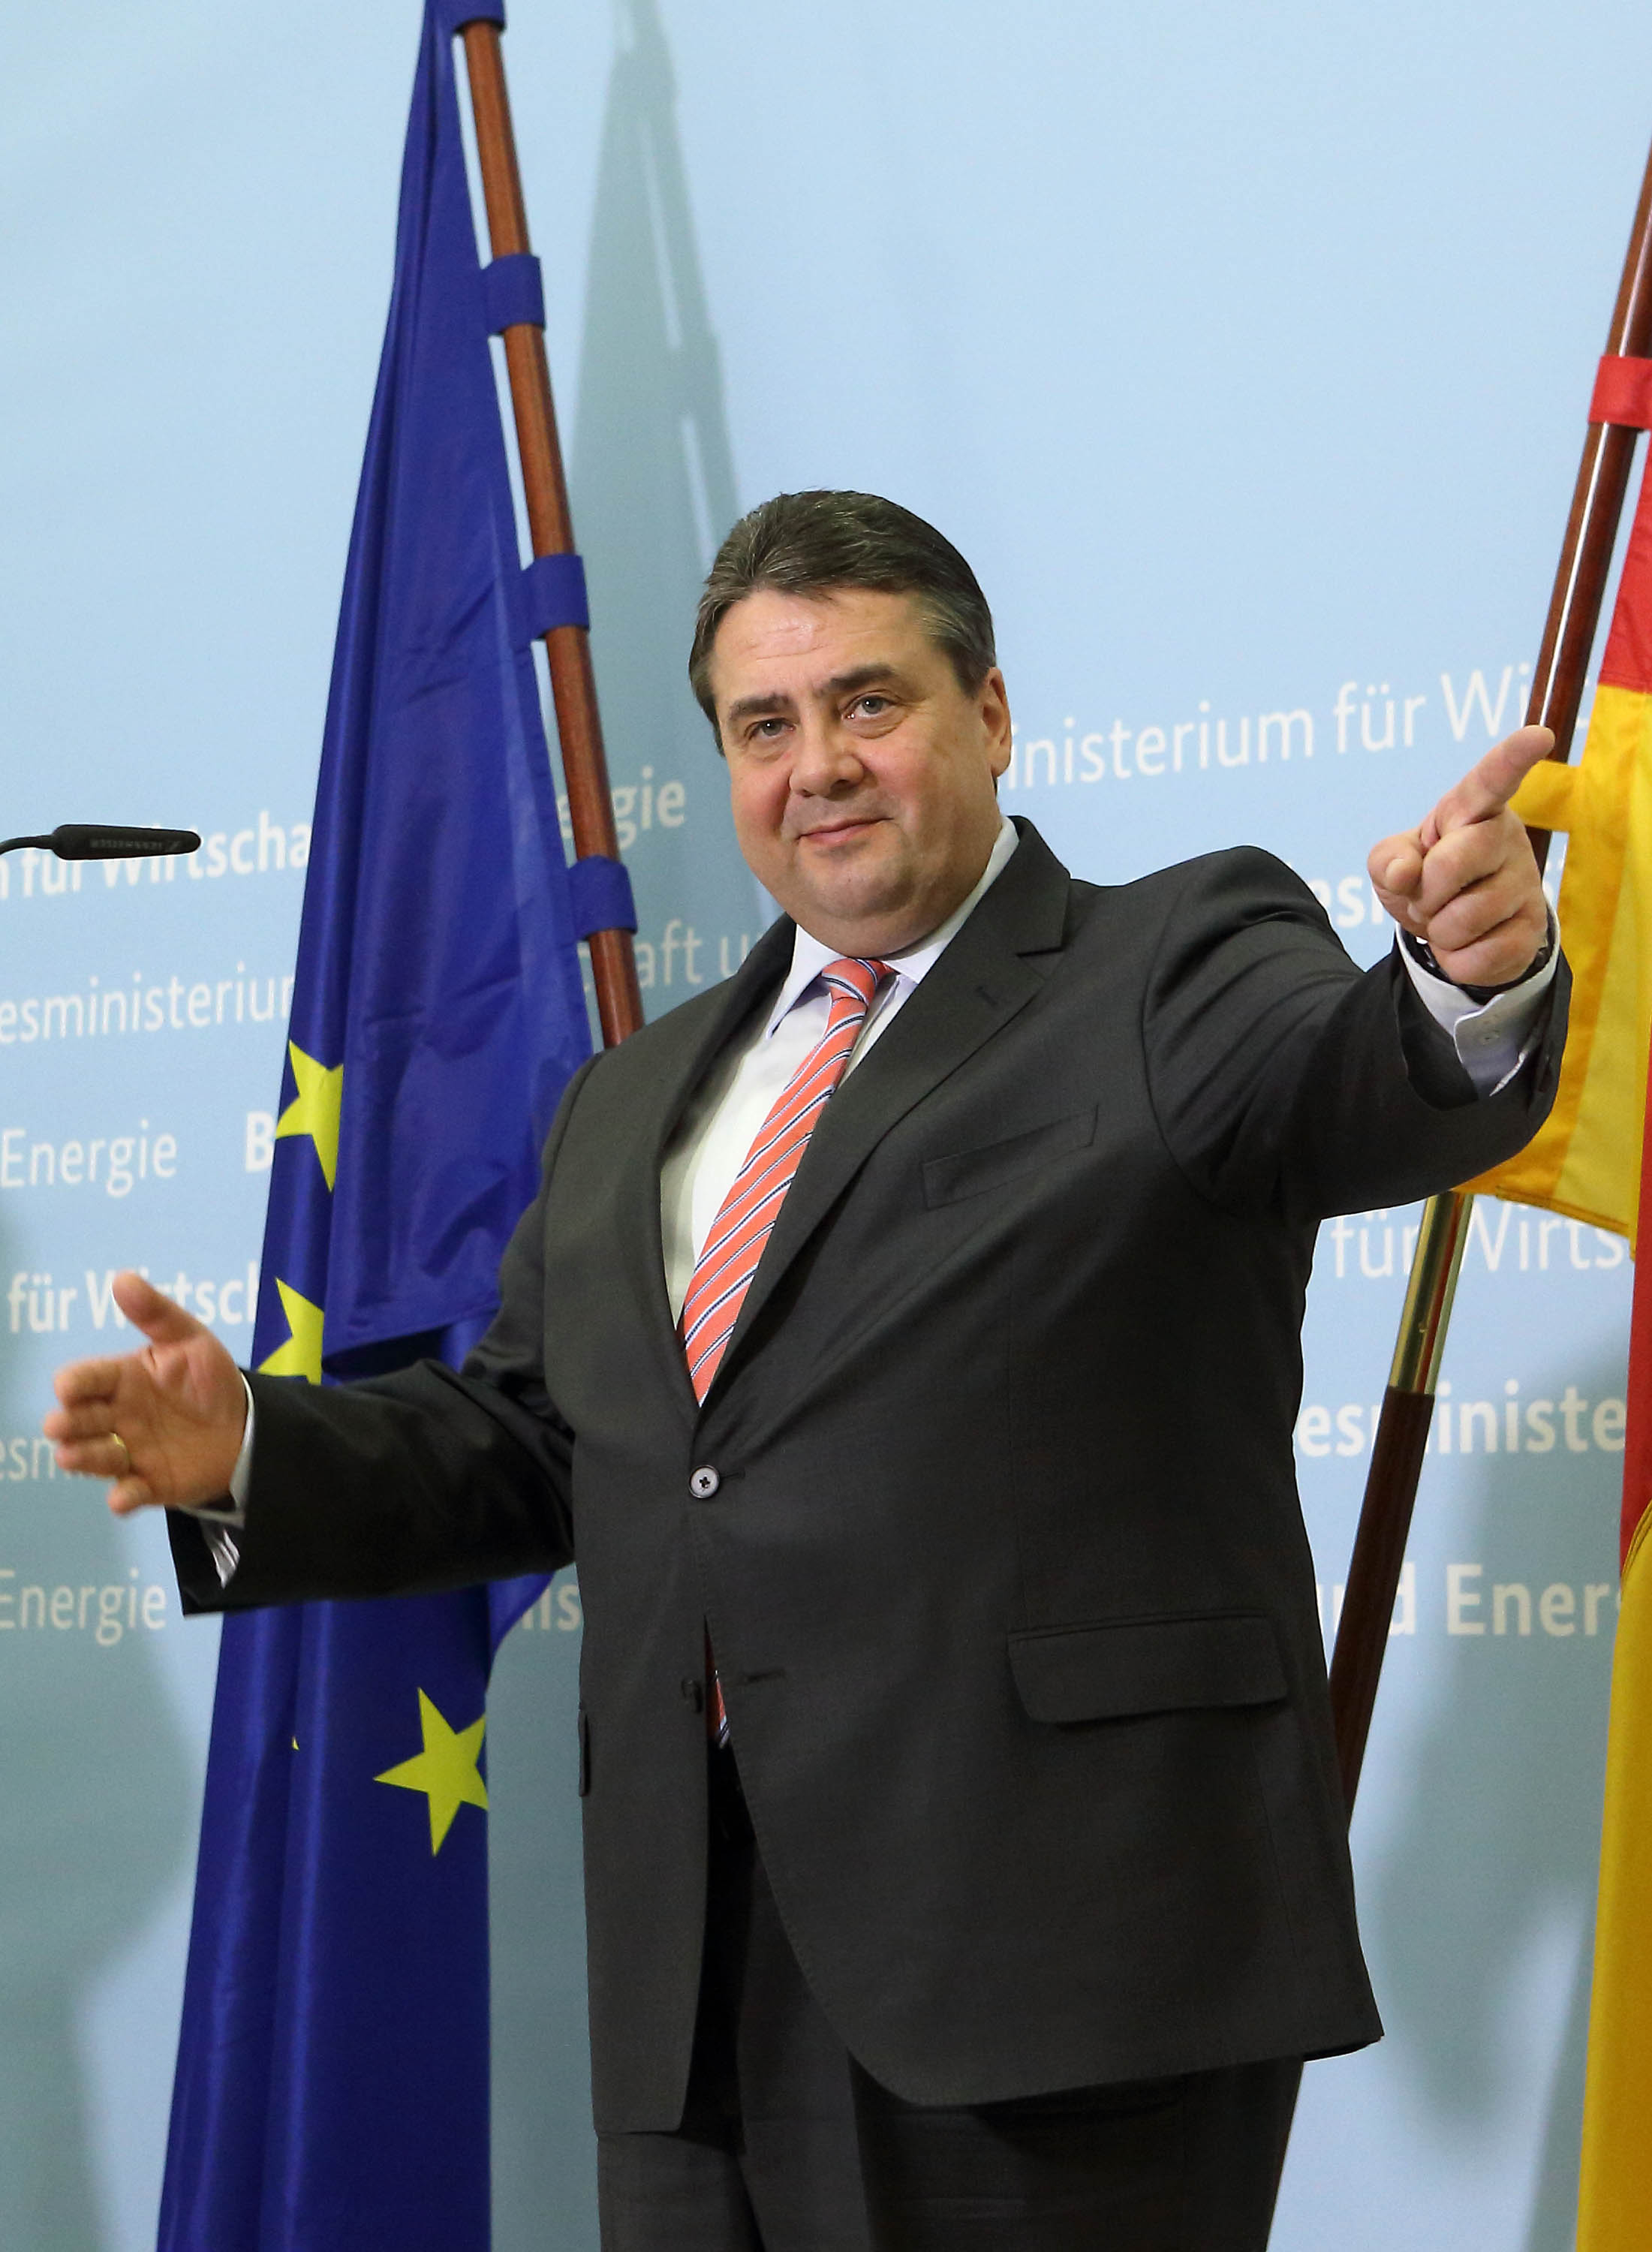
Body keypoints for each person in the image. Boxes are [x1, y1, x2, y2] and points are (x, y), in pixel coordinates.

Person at [47, 492, 1564, 2251]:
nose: (819, 765)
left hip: (1057, 1977)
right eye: (764, 726)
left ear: (990, 713)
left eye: (869, 702)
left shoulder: (1170, 960)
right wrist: (254, 1452)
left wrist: (1465, 977)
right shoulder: (634, 1096)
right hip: (693, 1988)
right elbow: (543, 1443)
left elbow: (1356, 1076)